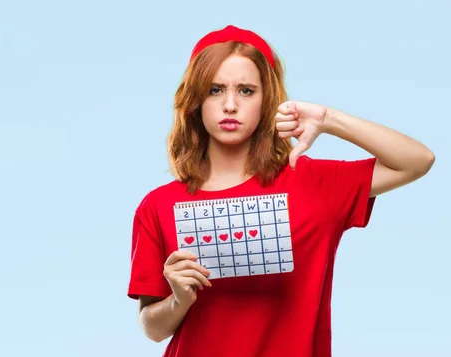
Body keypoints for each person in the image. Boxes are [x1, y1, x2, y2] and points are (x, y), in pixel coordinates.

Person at [127, 25, 434, 357]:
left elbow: (417, 160)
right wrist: (179, 299)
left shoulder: (313, 183)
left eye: (246, 91)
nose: (230, 105)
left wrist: (328, 119)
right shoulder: (158, 205)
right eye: (215, 90)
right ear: (195, 100)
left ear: (266, 99)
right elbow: (152, 327)